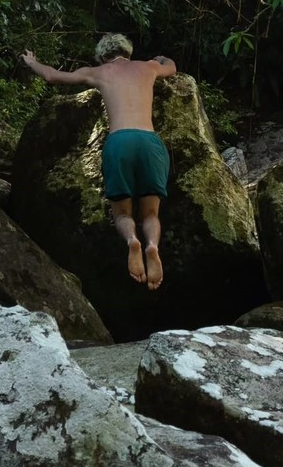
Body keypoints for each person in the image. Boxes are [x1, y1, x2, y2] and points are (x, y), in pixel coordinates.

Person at [21, 33, 176, 291]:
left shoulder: (100, 72)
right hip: (149, 142)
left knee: (122, 213)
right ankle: (151, 245)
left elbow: (52, 76)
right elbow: (171, 67)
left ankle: (132, 242)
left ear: (104, 55)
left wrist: (32, 61)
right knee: (150, 212)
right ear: (127, 51)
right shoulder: (148, 67)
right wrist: (161, 58)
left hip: (119, 142)